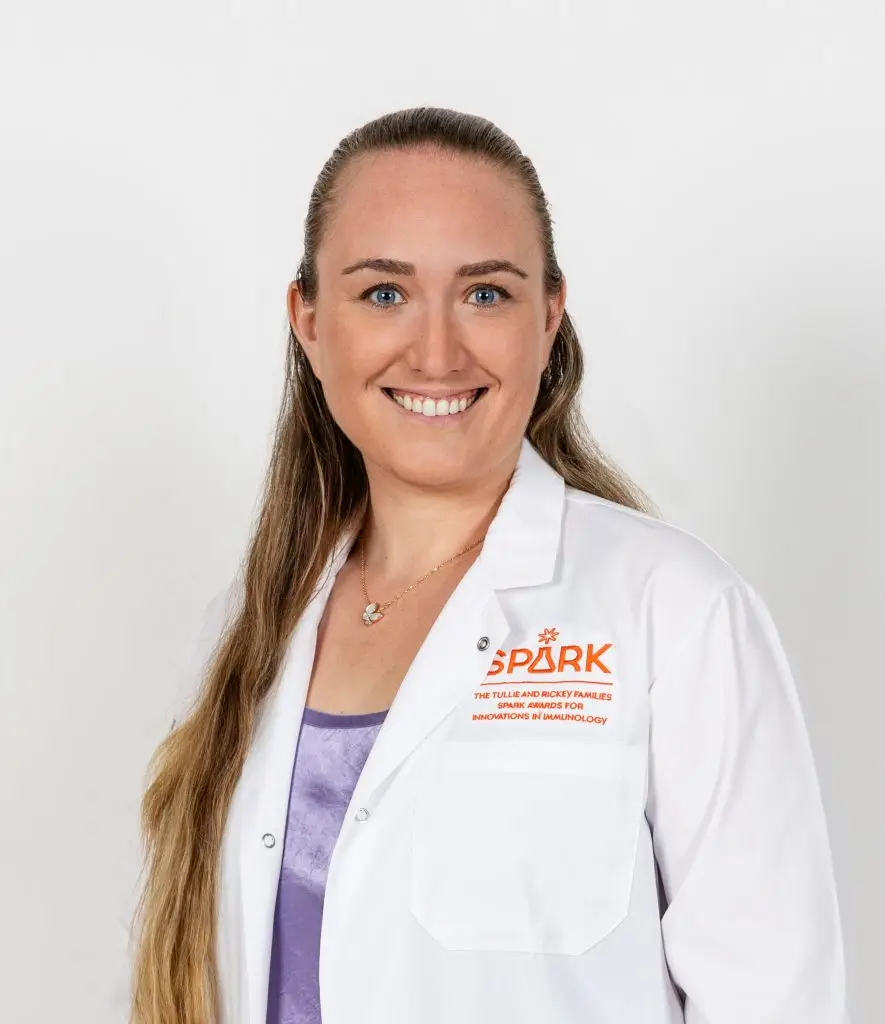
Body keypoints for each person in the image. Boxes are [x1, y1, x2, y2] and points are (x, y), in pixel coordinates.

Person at [125, 106, 849, 1023]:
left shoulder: (673, 614)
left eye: (485, 293)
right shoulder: (248, 628)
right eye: (383, 292)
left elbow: (774, 1001)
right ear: (309, 320)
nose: (435, 351)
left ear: (549, 317)